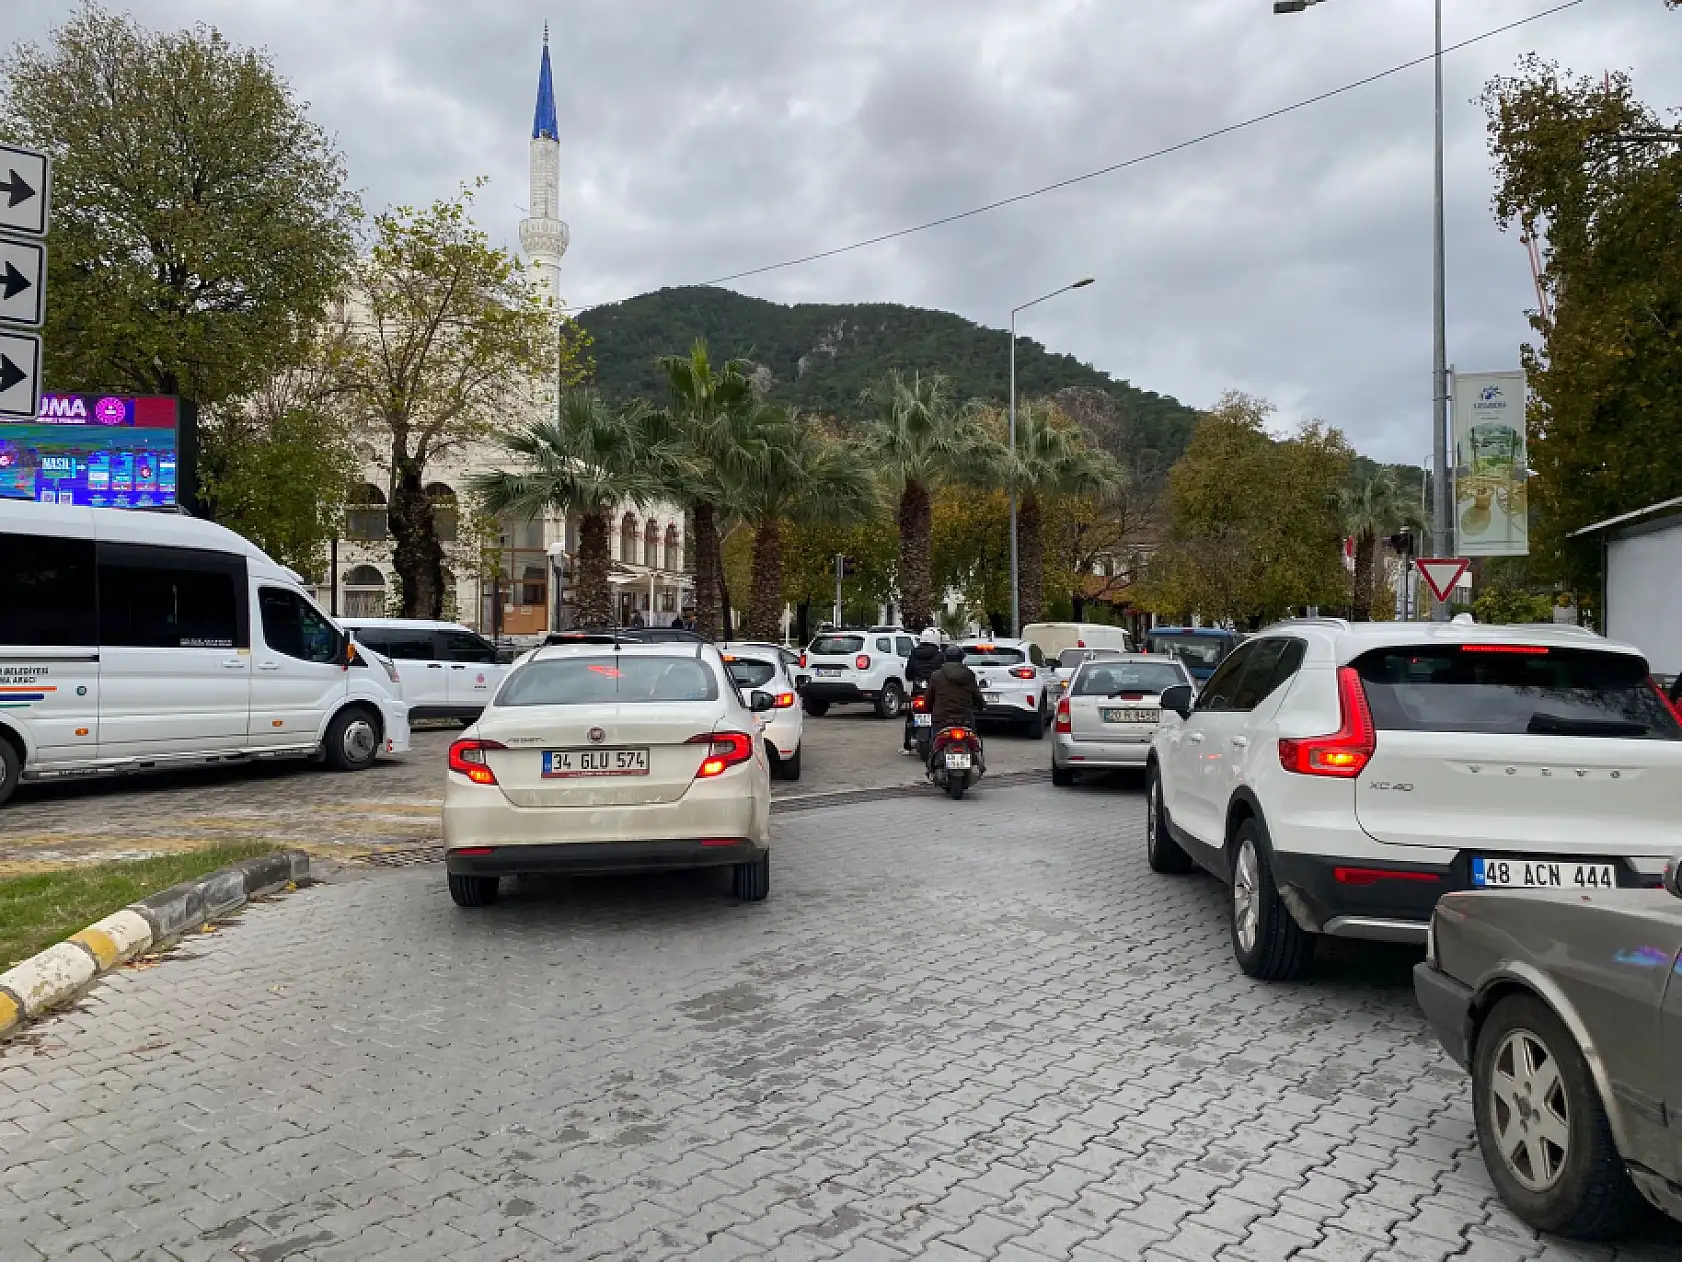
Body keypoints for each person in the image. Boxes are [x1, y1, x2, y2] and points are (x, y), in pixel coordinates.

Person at [924, 642, 985, 763]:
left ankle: (932, 765)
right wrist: (982, 706)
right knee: (975, 744)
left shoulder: (936, 675)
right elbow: (976, 695)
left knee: (934, 746)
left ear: (945, 658)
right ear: (962, 658)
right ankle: (976, 761)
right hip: (965, 718)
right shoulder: (969, 675)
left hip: (942, 719)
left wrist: (928, 708)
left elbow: (928, 698)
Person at [902, 627, 945, 753]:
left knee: (910, 715)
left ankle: (907, 745)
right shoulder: (940, 655)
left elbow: (908, 673)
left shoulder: (914, 653)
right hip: (934, 692)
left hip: (917, 692)